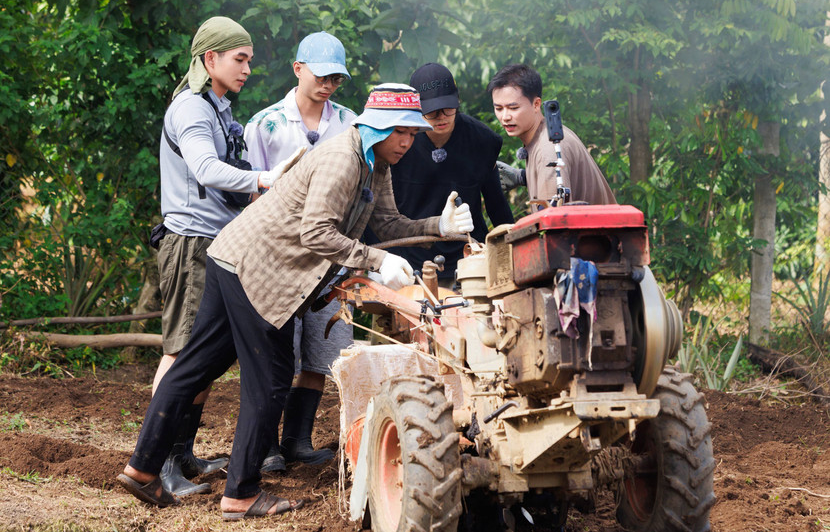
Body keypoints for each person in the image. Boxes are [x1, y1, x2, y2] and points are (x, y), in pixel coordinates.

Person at [117, 83, 475, 519]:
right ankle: (241, 494)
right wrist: (376, 260)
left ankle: (140, 469)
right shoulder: (343, 160)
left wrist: (441, 225)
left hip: (232, 256)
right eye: (400, 131)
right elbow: (316, 233)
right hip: (256, 269)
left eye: (413, 133)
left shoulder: (374, 163)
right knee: (270, 378)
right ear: (377, 127)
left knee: (197, 364)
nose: (407, 141)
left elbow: (386, 222)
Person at [150, 15, 292, 497]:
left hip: (217, 243)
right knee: (181, 355)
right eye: (240, 58)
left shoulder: (218, 109)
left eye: (249, 59)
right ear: (210, 59)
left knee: (204, 359)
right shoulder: (190, 109)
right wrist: (265, 179)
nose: (248, 68)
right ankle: (160, 464)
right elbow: (207, 170)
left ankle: (182, 452)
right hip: (191, 242)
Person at [243, 31, 358, 472]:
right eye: (322, 75)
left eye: (337, 79)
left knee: (324, 348)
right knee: (275, 353)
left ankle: (297, 439)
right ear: (298, 69)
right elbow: (253, 194)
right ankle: (266, 445)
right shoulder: (265, 124)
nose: (328, 85)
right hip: (281, 256)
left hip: (331, 255)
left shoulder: (349, 122)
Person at [379, 63, 514, 286]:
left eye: (447, 108)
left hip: (467, 256)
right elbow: (377, 209)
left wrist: (510, 251)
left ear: (457, 101)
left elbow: (496, 204)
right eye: (430, 111)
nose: (441, 117)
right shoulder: (397, 141)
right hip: (407, 256)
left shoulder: (483, 140)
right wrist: (378, 264)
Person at [487, 64, 616, 210]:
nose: (505, 117)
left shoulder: (547, 150)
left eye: (513, 108)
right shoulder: (548, 134)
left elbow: (553, 220)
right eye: (498, 108)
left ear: (536, 104)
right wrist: (523, 177)